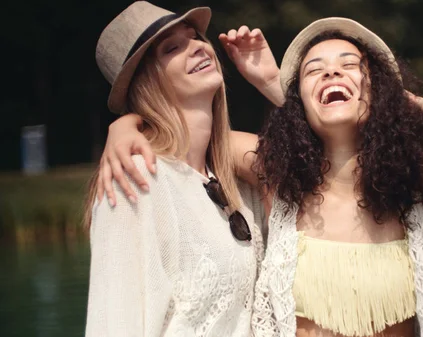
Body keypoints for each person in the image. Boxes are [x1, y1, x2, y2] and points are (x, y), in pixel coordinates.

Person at [98, 17, 423, 337]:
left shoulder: (411, 191)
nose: (333, 71)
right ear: (295, 100)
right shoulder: (281, 180)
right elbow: (187, 136)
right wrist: (127, 125)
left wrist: (389, 94)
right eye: (314, 71)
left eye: (351, 65)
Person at [84, 1, 283, 336]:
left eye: (196, 37)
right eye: (172, 48)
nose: (197, 47)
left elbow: (334, 157)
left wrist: (273, 81)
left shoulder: (232, 180)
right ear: (147, 81)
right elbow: (114, 323)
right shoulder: (135, 178)